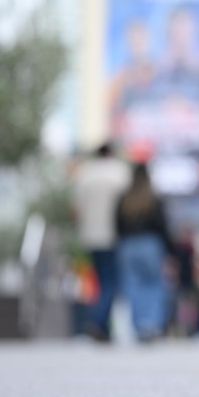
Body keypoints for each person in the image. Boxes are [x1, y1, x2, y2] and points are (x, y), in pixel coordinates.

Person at [71, 143, 131, 342]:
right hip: (115, 236)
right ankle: (97, 321)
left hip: (91, 236)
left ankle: (101, 325)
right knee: (110, 282)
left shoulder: (84, 174)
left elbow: (76, 209)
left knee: (100, 280)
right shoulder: (121, 173)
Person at [115, 162, 175, 342]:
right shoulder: (153, 199)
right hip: (150, 245)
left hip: (128, 245)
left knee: (133, 287)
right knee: (154, 285)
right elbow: (162, 226)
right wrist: (170, 250)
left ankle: (139, 324)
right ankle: (151, 324)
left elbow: (117, 224)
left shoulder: (124, 198)